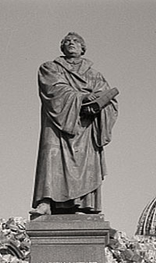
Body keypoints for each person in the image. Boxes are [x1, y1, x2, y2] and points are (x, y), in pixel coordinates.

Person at [31, 32, 118, 216]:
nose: (71, 43)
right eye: (67, 41)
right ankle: (46, 202)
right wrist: (84, 97)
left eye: (76, 41)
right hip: (57, 123)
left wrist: (99, 105)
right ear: (62, 47)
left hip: (85, 127)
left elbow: (108, 99)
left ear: (83, 48)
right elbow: (54, 90)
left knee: (85, 163)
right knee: (51, 157)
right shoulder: (51, 68)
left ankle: (83, 204)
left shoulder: (95, 75)